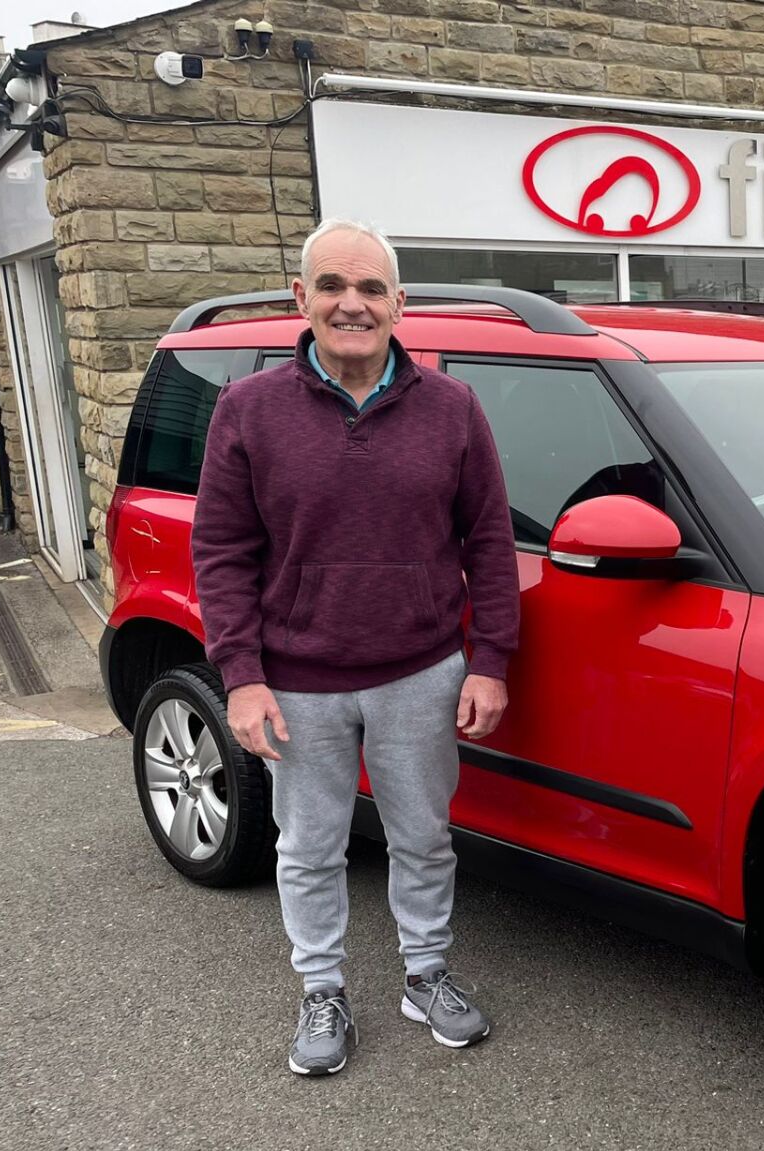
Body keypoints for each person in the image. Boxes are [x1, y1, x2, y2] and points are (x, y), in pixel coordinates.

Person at [191, 218, 519, 1076]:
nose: (353, 304)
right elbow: (221, 551)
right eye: (333, 286)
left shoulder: (453, 408)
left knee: (424, 837)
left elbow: (488, 540)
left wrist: (490, 661)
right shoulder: (247, 410)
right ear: (300, 298)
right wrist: (242, 678)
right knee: (309, 847)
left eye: (372, 289)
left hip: (420, 671)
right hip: (299, 682)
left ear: (399, 304)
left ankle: (425, 975)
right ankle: (323, 988)